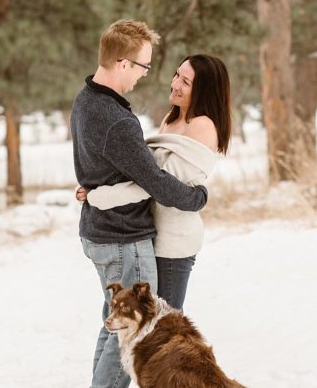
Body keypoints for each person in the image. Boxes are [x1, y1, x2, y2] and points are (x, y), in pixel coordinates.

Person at [70, 20, 208, 388]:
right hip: (123, 237)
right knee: (129, 325)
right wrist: (196, 198)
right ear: (121, 61)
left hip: (101, 232)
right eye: (143, 67)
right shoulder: (115, 119)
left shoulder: (86, 99)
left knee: (111, 322)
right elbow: (155, 181)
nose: (146, 75)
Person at [81, 54, 231, 312]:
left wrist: (99, 196)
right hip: (152, 233)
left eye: (186, 81)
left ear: (204, 90)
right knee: (139, 321)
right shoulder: (171, 120)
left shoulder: (202, 126)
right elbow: (146, 175)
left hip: (173, 241)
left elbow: (154, 185)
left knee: (164, 325)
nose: (175, 84)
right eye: (176, 75)